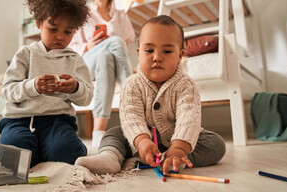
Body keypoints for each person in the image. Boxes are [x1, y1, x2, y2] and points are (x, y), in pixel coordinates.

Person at [75, 15, 226, 175]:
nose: (157, 57)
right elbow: (131, 117)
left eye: (167, 51)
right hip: (139, 138)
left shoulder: (186, 85)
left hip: (176, 137)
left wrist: (179, 148)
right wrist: (142, 141)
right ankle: (110, 157)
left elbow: (189, 118)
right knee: (114, 133)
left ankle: (175, 159)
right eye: (149, 50)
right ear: (139, 53)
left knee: (215, 143)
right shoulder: (132, 84)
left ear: (180, 56)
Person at [0, 0, 93, 167]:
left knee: (67, 152)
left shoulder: (75, 59)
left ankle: (47, 149)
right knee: (12, 155)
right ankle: (39, 150)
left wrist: (75, 87)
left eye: (68, 32)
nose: (60, 36)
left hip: (57, 120)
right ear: (39, 23)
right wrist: (32, 86)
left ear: (75, 30)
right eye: (53, 28)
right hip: (19, 121)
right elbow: (7, 92)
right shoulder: (25, 54)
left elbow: (87, 98)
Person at [69, 0, 135, 147]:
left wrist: (113, 51)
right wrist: (88, 45)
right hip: (85, 64)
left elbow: (129, 42)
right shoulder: (83, 14)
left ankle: (98, 133)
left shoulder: (121, 16)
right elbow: (71, 47)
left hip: (107, 63)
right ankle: (132, 97)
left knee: (106, 57)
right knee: (116, 41)